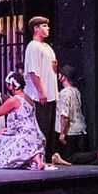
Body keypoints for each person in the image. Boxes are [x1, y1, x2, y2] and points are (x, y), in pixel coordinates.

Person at [21, 16, 60, 154]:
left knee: (49, 128)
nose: (48, 28)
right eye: (44, 26)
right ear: (36, 29)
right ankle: (39, 156)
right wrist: (41, 91)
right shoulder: (33, 46)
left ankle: (48, 156)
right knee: (41, 127)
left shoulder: (47, 47)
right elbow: (33, 71)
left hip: (51, 94)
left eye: (47, 25)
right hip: (40, 96)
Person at [51, 62, 98, 163]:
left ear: (64, 76)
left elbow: (65, 115)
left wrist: (62, 133)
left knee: (68, 158)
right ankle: (96, 155)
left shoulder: (65, 93)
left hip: (70, 132)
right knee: (75, 155)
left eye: (60, 74)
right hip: (80, 129)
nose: (58, 75)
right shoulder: (76, 91)